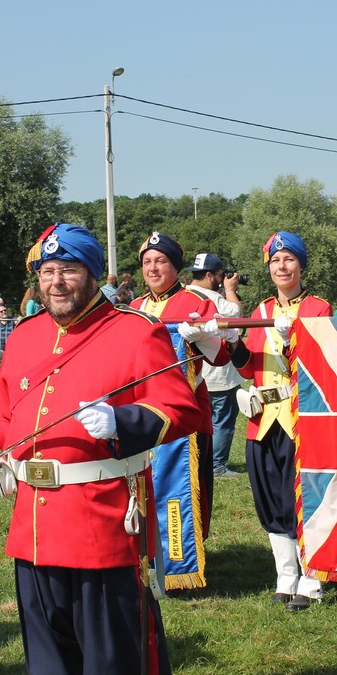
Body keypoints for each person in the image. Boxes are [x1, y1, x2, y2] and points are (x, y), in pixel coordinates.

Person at [0, 223, 200, 675]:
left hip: (102, 527)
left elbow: (181, 409)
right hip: (33, 530)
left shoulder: (136, 332)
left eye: (69, 270)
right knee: (50, 666)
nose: (56, 282)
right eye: (47, 272)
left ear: (93, 274)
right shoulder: (24, 336)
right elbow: (8, 417)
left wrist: (122, 421)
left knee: (113, 664)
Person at [229, 231, 332, 612]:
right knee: (270, 501)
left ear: (301, 265)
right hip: (262, 419)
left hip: (301, 419)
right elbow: (248, 367)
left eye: (289, 259)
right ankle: (285, 576)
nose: (282, 266)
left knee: (303, 499)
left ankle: (312, 578)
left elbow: (324, 367)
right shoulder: (260, 311)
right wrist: (233, 343)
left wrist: (292, 343)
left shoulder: (319, 308)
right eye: (275, 261)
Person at [132, 232, 232, 587]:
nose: (153, 268)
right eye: (147, 262)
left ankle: (182, 557)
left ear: (175, 266)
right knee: (141, 487)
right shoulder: (135, 307)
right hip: (140, 413)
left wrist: (202, 337)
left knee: (188, 488)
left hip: (187, 413)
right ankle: (146, 556)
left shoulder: (196, 302)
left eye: (160, 261)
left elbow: (222, 356)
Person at [185, 252, 244, 478]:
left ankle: (196, 462)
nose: (223, 279)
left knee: (198, 423)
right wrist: (230, 289)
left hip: (194, 374)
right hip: (219, 374)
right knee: (223, 421)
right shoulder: (214, 299)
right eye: (221, 275)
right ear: (210, 275)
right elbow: (236, 315)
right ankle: (217, 465)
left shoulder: (182, 295)